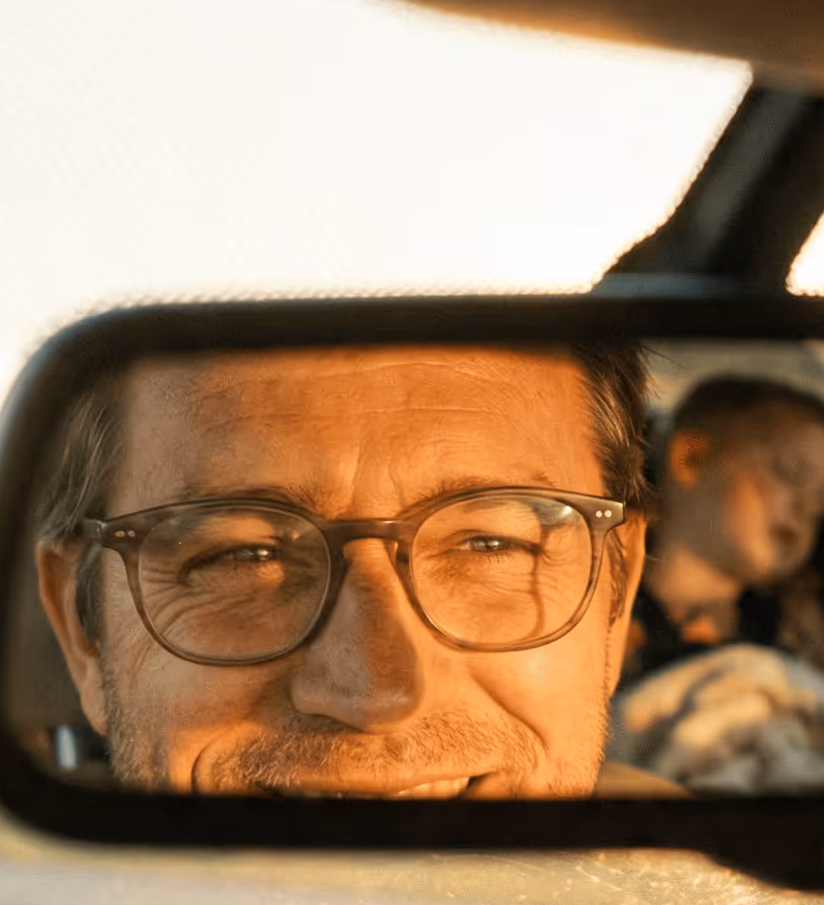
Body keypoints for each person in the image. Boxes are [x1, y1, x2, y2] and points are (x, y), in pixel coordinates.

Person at [36, 342, 655, 798]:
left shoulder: (692, 904)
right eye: (245, 556)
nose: (379, 694)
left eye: (489, 544)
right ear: (83, 634)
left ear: (617, 601)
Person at [625, 375, 824, 684]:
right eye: (788, 473)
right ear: (691, 457)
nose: (804, 508)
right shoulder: (604, 603)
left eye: (821, 503)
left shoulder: (792, 635)